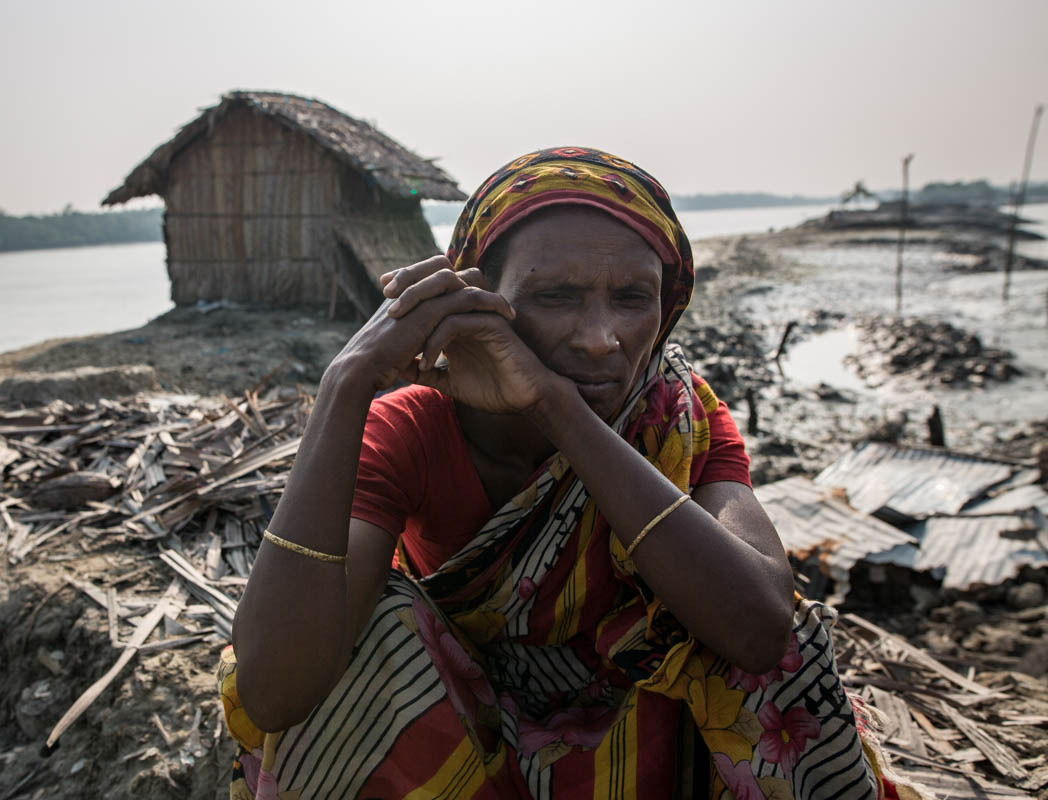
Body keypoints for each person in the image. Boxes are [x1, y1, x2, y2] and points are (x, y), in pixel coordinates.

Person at [219, 148, 894, 799]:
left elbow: (763, 631)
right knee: (373, 623)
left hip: (646, 745)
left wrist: (556, 407)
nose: (601, 338)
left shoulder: (676, 419)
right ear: (478, 299)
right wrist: (345, 383)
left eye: (633, 299)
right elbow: (278, 691)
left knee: (737, 582)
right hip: (461, 736)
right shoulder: (413, 428)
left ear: (667, 308)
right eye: (556, 297)